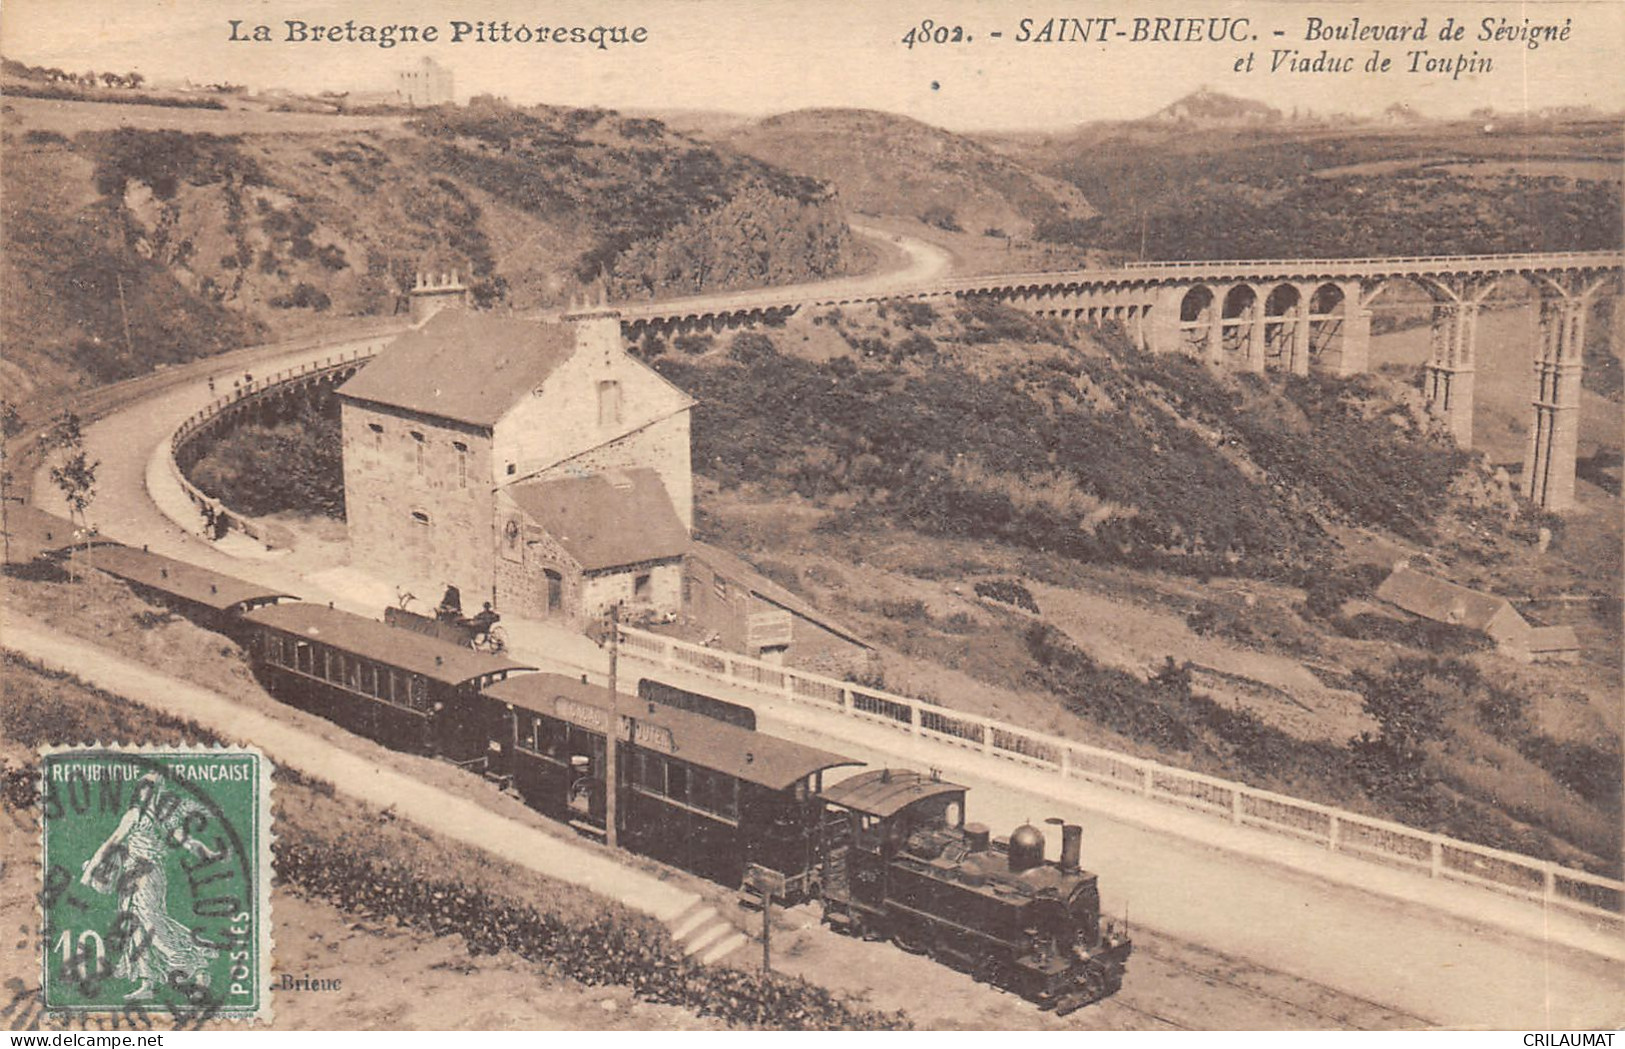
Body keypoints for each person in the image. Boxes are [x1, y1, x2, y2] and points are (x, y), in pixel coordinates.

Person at [79, 773, 218, 1000]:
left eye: (153, 787)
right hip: (130, 875)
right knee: (133, 924)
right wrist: (89, 871)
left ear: (159, 791)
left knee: (152, 922)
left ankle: (193, 962)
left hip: (150, 875)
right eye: (145, 786)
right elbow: (110, 844)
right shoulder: (133, 815)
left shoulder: (165, 819)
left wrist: (208, 853)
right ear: (139, 790)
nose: (148, 792)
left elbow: (187, 842)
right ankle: (148, 983)